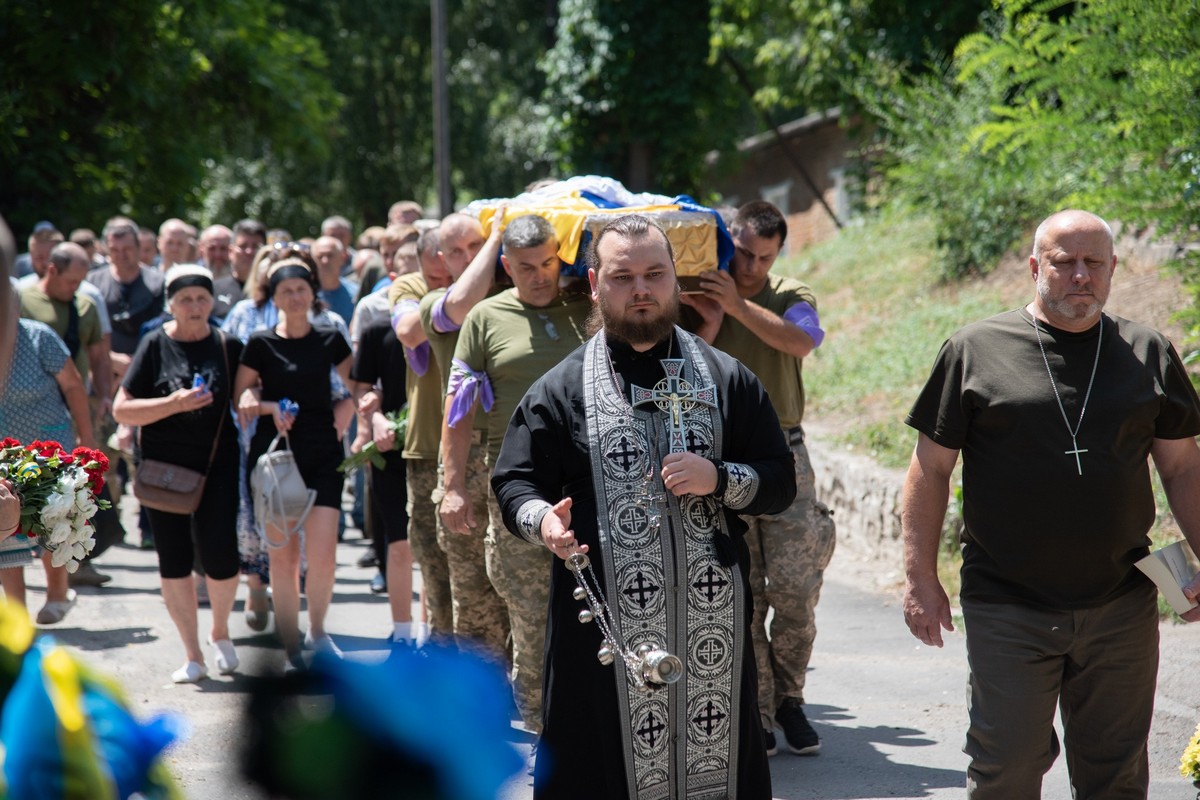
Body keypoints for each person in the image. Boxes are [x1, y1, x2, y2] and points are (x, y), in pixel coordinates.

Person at [491, 214, 796, 799]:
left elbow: (780, 481)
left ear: (674, 279)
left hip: (714, 627)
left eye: (655, 274)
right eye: (623, 276)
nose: (641, 289)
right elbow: (515, 483)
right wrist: (544, 521)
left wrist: (720, 476)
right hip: (603, 632)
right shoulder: (561, 389)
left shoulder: (727, 379)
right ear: (595, 281)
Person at [901, 209, 1200, 799]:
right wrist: (919, 577)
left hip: (1122, 603)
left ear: (1114, 269)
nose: (1080, 276)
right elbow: (930, 471)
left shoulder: (1148, 351)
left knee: (1115, 777)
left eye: (1094, 263)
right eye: (1065, 263)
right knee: (1006, 768)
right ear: (1037, 267)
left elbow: (1183, 466)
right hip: (1009, 603)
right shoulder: (975, 349)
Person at [683, 200, 834, 755]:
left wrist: (740, 305)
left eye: (763, 258)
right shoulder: (701, 289)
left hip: (786, 455)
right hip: (722, 459)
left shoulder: (790, 295)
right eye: (743, 253)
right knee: (739, 593)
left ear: (778, 255)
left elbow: (802, 342)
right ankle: (762, 709)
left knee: (796, 589)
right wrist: (714, 316)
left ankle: (792, 697)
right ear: (730, 239)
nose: (750, 267)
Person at [440, 213, 589, 738]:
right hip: (516, 478)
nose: (540, 275)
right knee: (529, 612)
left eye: (549, 263)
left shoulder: (587, 310)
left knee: (588, 609)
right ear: (507, 266)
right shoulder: (485, 318)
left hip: (588, 476)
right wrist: (452, 486)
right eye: (527, 267)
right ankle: (544, 730)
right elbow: (456, 412)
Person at [113, 265, 243, 683]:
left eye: (201, 299)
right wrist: (174, 404)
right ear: (170, 303)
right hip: (164, 471)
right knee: (174, 561)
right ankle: (192, 654)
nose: (194, 307)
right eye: (185, 299)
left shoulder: (227, 344)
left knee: (221, 557)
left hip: (217, 465)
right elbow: (121, 409)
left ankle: (220, 630)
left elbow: (249, 395)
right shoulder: (154, 344)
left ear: (212, 302)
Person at [234, 257, 353, 671]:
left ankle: (317, 632)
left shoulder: (331, 337)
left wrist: (349, 407)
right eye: (287, 291)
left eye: (302, 289)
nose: (296, 296)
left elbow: (358, 385)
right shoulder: (260, 342)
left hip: (323, 451)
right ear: (274, 297)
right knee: (283, 557)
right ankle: (289, 646)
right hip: (276, 458)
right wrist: (267, 405)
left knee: (322, 555)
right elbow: (242, 399)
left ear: (312, 293)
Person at [0, 314, 97, 624]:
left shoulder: (38, 336)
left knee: (51, 519)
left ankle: (58, 594)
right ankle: (18, 620)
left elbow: (73, 385)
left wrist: (88, 438)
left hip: (47, 450)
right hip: (3, 454)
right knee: (5, 529)